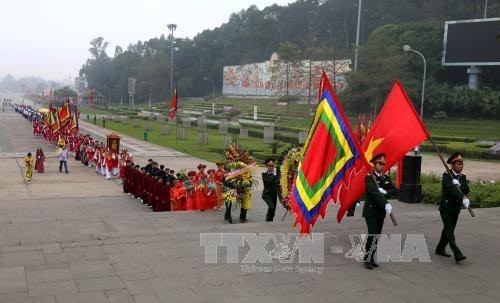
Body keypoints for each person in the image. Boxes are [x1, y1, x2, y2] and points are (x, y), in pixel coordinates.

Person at [362, 153, 397, 270]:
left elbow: (395, 190)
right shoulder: (369, 177)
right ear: (374, 164)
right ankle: (367, 259)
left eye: (383, 164)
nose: (382, 166)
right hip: (371, 211)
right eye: (380, 164)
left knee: (377, 235)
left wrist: (386, 192)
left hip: (380, 212)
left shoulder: (385, 178)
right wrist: (386, 203)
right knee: (372, 234)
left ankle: (372, 257)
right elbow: (375, 193)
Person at [435, 152, 469, 263]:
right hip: (446, 208)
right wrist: (462, 196)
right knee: (450, 232)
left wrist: (460, 184)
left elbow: (466, 190)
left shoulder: (462, 177)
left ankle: (440, 248)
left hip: (455, 208)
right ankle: (457, 254)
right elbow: (451, 189)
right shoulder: (446, 175)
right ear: (452, 165)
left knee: (448, 230)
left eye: (462, 164)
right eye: (458, 164)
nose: (461, 166)